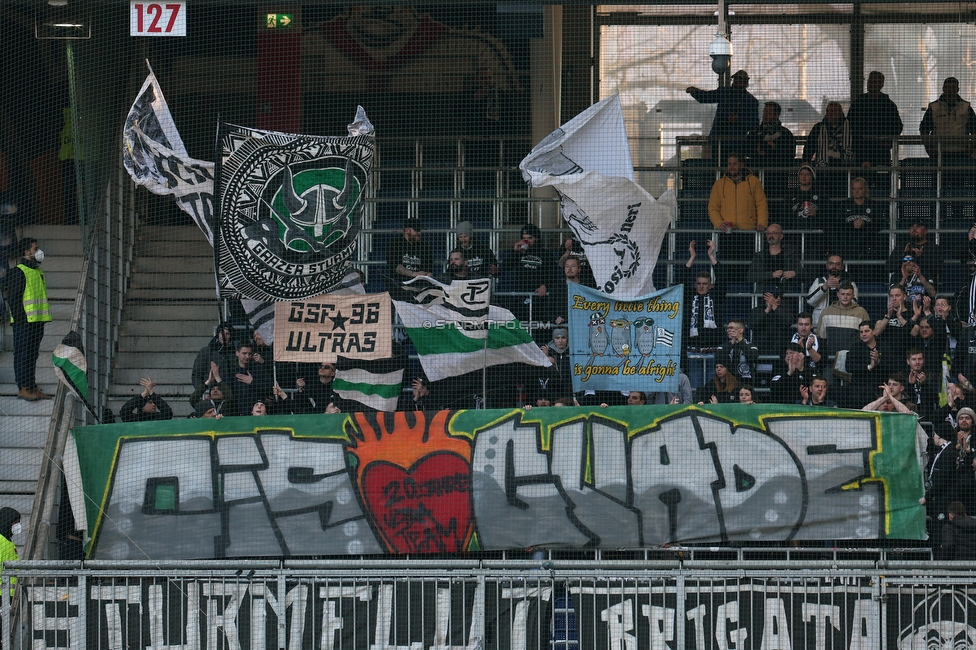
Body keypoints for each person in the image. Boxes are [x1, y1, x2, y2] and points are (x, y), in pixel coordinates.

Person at [4, 238, 52, 401]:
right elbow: (13, 298)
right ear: (26, 252)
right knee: (23, 354)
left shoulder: (38, 271)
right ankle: (23, 387)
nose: (38, 251)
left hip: (37, 321)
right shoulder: (19, 271)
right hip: (24, 322)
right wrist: (21, 319)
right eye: (35, 248)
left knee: (32, 355)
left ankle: (31, 386)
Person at [686, 69, 759, 160]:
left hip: (736, 143)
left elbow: (754, 125)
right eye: (736, 79)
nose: (738, 82)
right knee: (719, 165)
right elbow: (706, 97)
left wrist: (738, 120)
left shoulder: (751, 101)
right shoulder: (724, 92)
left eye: (741, 80)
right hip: (718, 140)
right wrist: (695, 92)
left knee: (733, 166)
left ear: (746, 82)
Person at [501, 223, 555, 330]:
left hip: (539, 298)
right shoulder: (519, 253)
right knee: (521, 327)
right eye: (524, 238)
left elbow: (553, 274)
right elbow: (505, 267)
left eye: (530, 238)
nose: (527, 241)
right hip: (520, 296)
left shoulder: (546, 254)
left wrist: (545, 286)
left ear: (537, 238)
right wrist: (515, 252)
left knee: (539, 327)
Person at [847, 71, 904, 168]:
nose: (870, 84)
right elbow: (849, 124)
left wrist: (888, 141)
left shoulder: (888, 105)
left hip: (881, 151)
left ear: (881, 85)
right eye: (870, 81)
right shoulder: (858, 103)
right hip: (862, 150)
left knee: (881, 180)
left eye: (874, 82)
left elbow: (897, 126)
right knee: (862, 180)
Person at [833, 178, 887, 279]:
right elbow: (837, 225)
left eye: (860, 188)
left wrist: (864, 225)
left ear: (865, 189)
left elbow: (880, 225)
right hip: (848, 246)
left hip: (868, 246)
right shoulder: (843, 205)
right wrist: (851, 225)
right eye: (854, 189)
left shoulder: (874, 205)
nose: (857, 191)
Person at [707, 152, 769, 236]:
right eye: (729, 164)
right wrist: (719, 223)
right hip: (726, 231)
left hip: (749, 231)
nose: (732, 167)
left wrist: (762, 223)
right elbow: (713, 207)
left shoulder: (754, 181)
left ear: (742, 165)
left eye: (735, 164)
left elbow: (761, 204)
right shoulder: (719, 184)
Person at [744, 101, 797, 195]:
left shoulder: (786, 134)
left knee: (776, 202)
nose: (765, 115)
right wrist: (758, 151)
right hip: (757, 175)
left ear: (777, 115)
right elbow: (746, 150)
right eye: (764, 112)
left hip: (778, 177)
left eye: (768, 112)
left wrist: (773, 150)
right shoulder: (754, 133)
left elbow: (790, 154)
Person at [919, 77, 976, 163]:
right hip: (938, 152)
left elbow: (974, 129)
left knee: (960, 175)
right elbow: (924, 129)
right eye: (948, 88)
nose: (950, 91)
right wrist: (929, 148)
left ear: (957, 89)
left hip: (962, 152)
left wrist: (971, 147)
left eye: (953, 88)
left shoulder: (965, 108)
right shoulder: (934, 108)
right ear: (943, 89)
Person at [803, 102, 855, 195]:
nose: (830, 114)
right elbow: (809, 146)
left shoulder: (852, 128)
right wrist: (806, 161)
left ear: (840, 113)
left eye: (834, 111)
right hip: (823, 172)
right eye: (828, 112)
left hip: (845, 171)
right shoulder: (818, 128)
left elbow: (859, 146)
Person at [817, 282, 871, 368]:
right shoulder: (826, 312)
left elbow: (868, 337)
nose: (845, 297)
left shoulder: (861, 312)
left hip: (853, 362)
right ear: (838, 294)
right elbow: (821, 338)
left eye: (848, 294)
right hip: (831, 360)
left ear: (853, 295)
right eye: (843, 294)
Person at [886, 219, 942, 299]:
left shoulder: (933, 248)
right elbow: (889, 267)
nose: (914, 229)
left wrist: (920, 257)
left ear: (926, 231)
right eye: (912, 226)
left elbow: (938, 268)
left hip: (925, 292)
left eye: (918, 226)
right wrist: (903, 254)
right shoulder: (902, 246)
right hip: (903, 286)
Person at [806, 254, 859, 330]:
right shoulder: (819, 281)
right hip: (821, 325)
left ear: (842, 267)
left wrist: (840, 289)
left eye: (837, 264)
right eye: (831, 263)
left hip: (843, 326)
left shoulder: (850, 283)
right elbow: (810, 301)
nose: (834, 266)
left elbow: (854, 303)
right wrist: (824, 287)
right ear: (827, 265)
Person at [386, 217, 434, 299]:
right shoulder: (396, 244)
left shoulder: (424, 247)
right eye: (417, 230)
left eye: (420, 230)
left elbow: (429, 270)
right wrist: (414, 274)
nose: (419, 233)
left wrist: (426, 275)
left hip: (420, 288)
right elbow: (396, 267)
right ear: (407, 230)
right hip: (400, 286)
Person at [223, 340, 272, 417]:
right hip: (236, 414)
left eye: (249, 354)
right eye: (244, 353)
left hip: (255, 415)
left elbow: (269, 387)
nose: (247, 356)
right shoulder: (230, 371)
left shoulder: (258, 369)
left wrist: (252, 382)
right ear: (237, 353)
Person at [746, 223, 800, 293]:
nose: (770, 236)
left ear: (781, 236)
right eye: (768, 233)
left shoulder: (790, 255)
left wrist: (794, 273)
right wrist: (771, 275)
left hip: (784, 297)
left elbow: (806, 275)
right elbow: (750, 276)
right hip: (764, 296)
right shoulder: (759, 256)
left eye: (774, 233)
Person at [782, 165, 827, 244]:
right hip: (794, 237)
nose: (804, 177)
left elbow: (828, 215)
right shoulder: (790, 194)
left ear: (812, 176)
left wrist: (816, 213)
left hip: (815, 238)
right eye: (802, 174)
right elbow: (784, 215)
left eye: (807, 174)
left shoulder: (821, 195)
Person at [746, 285, 793, 358]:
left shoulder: (785, 310)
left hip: (780, 351)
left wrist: (774, 306)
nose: (779, 298)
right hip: (761, 349)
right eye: (776, 296)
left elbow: (788, 322)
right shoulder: (756, 310)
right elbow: (752, 325)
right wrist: (767, 310)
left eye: (780, 296)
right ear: (766, 297)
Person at [190, 322, 235, 389]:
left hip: (228, 394)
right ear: (218, 334)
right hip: (209, 393)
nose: (224, 336)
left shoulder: (235, 353)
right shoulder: (206, 352)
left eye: (227, 334)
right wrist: (202, 391)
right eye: (221, 333)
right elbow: (197, 375)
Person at [717, 318, 758, 385]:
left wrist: (740, 340)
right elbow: (719, 359)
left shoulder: (751, 346)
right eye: (727, 328)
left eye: (731, 328)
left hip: (746, 383)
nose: (728, 330)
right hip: (727, 383)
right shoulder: (722, 347)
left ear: (740, 330)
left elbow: (753, 357)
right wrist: (732, 342)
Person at [905, 348, 939, 420]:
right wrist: (910, 384)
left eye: (920, 359)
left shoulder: (932, 376)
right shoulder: (903, 376)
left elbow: (935, 398)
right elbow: (903, 398)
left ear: (923, 360)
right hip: (908, 411)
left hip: (928, 412)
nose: (917, 362)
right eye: (914, 359)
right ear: (908, 361)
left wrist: (925, 384)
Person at [0, 507, 20, 594]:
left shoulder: (9, 541)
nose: (17, 525)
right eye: (15, 522)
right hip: (2, 591)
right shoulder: (1, 539)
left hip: (10, 592)